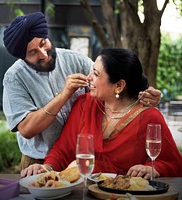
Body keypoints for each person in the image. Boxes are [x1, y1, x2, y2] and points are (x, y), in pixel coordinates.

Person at [2, 12, 161, 170]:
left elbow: (112, 75)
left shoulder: (75, 59)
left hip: (78, 160)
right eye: (33, 52)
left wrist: (144, 92)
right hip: (39, 162)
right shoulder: (14, 78)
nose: (43, 54)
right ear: (23, 57)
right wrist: (65, 94)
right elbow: (27, 129)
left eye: (43, 43)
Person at [21, 48, 182, 179]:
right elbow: (63, 150)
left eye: (96, 74)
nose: (89, 77)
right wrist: (46, 167)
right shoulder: (85, 105)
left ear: (119, 85)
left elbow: (174, 164)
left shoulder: (150, 117)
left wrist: (152, 169)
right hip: (81, 192)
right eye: (92, 71)